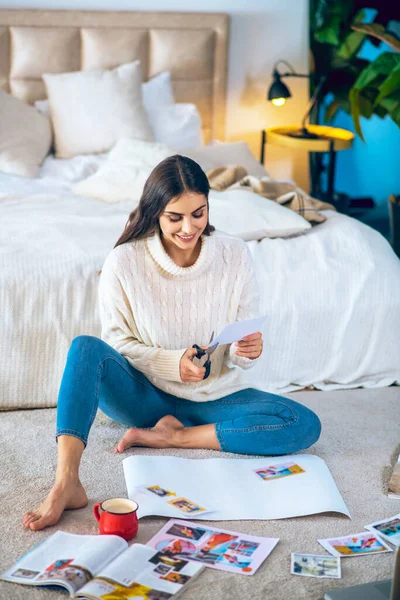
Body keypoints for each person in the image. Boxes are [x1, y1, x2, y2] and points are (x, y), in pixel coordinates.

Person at [23, 155, 321, 531]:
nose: (188, 227)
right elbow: (118, 343)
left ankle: (176, 436)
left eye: (198, 213)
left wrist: (248, 351)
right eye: (174, 217)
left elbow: (240, 345)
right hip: (143, 397)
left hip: (213, 400)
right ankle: (66, 482)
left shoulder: (234, 255)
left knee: (302, 423)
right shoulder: (124, 261)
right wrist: (171, 362)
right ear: (155, 213)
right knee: (85, 348)